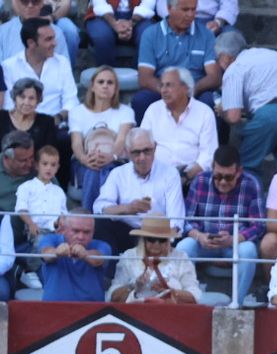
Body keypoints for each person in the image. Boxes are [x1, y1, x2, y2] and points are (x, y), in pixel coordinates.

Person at [175, 143, 262, 305]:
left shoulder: (251, 184)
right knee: (183, 248)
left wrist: (233, 239)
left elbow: (258, 225)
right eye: (217, 176)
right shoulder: (200, 180)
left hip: (234, 245)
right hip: (204, 243)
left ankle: (238, 302)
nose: (222, 182)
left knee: (249, 250)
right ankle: (186, 298)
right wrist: (200, 236)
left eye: (228, 177)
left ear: (239, 172)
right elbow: (186, 219)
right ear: (212, 168)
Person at [213, 30, 277, 177]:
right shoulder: (271, 54)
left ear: (226, 57)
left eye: (218, 58)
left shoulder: (234, 68)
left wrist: (222, 111)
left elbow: (234, 117)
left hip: (271, 116)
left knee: (246, 168)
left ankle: (253, 200)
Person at [93, 128, 185, 252]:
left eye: (147, 151)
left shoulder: (170, 174)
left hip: (159, 235)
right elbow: (100, 207)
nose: (142, 158)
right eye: (136, 152)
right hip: (128, 233)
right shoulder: (118, 174)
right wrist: (128, 208)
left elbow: (176, 220)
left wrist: (166, 242)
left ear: (155, 148)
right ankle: (111, 270)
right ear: (127, 152)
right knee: (100, 224)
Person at [133, 0, 220, 123]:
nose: (190, 15)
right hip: (162, 89)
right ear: (169, 8)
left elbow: (214, 76)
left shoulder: (206, 35)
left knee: (210, 100)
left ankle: (210, 142)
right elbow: (145, 79)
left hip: (195, 90)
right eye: (185, 10)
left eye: (193, 9)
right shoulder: (151, 34)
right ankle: (142, 141)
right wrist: (170, 91)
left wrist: (193, 90)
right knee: (141, 100)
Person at [68, 66, 135, 216]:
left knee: (105, 170)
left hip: (117, 161)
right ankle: (94, 217)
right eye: (101, 82)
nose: (105, 86)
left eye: (110, 83)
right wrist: (85, 159)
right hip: (85, 161)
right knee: (93, 169)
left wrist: (112, 157)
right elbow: (77, 143)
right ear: (92, 86)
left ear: (116, 88)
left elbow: (122, 140)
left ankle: (91, 215)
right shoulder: (77, 112)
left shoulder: (126, 111)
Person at [139, 67, 215, 183]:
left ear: (185, 88)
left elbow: (208, 154)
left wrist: (187, 176)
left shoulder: (204, 112)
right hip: (155, 177)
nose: (163, 90)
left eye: (169, 85)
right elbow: (142, 145)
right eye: (162, 85)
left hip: (192, 180)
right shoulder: (153, 110)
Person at [106, 213, 200, 302]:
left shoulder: (180, 257)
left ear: (168, 240)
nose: (156, 244)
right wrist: (133, 285)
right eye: (151, 239)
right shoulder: (129, 256)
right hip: (135, 311)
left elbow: (195, 295)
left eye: (162, 240)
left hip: (172, 311)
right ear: (143, 240)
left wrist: (171, 292)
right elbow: (113, 296)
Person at [1, 18, 74, 121]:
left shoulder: (62, 63)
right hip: (20, 128)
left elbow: (71, 101)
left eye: (54, 38)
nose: (55, 43)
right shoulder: (8, 67)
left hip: (56, 125)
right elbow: (8, 106)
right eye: (49, 39)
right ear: (31, 43)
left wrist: (57, 118)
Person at [36, 211, 108, 299]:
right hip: (54, 308)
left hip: (93, 309)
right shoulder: (50, 239)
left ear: (93, 232)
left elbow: (99, 259)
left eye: (86, 232)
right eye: (75, 231)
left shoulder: (102, 245)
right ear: (64, 229)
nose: (80, 237)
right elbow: (46, 254)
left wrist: (85, 254)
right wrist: (56, 252)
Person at [16, 143, 65, 248]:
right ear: (37, 165)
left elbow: (63, 213)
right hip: (36, 230)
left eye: (53, 165)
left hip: (55, 231)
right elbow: (21, 209)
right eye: (45, 164)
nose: (49, 168)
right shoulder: (26, 187)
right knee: (43, 243)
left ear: (58, 167)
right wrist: (31, 224)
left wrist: (60, 222)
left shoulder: (59, 191)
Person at [85, 0, 155, 68]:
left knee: (147, 35)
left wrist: (130, 23)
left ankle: (139, 76)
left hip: (140, 16)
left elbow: (148, 4)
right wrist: (114, 24)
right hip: (102, 15)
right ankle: (106, 75)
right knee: (102, 37)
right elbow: (99, 4)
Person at [1, 79, 58, 158]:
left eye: (31, 98)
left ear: (38, 101)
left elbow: (49, 154)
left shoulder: (47, 122)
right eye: (22, 97)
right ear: (14, 98)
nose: (26, 102)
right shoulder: (1, 117)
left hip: (33, 168)